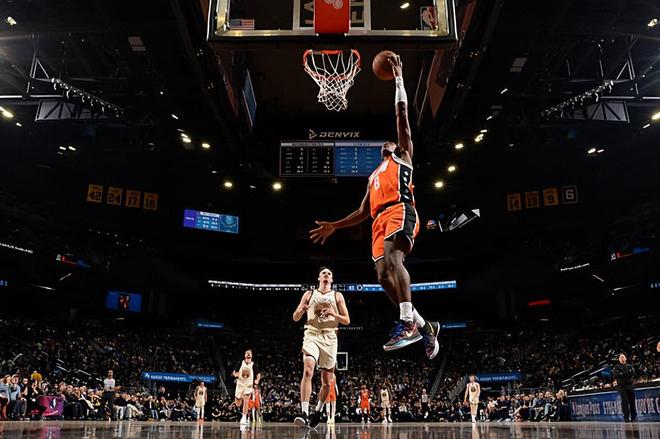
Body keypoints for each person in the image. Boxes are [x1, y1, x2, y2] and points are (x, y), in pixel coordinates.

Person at [309, 54, 440, 359]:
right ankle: (425, 326)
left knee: (394, 259)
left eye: (389, 143)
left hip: (400, 209)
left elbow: (402, 115)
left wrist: (398, 79)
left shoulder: (403, 156)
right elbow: (362, 212)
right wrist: (335, 225)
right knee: (382, 275)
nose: (386, 144)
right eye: (385, 144)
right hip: (378, 220)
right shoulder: (372, 176)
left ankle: (407, 323)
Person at [293, 267, 350, 428]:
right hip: (312, 334)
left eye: (329, 273)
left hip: (330, 338)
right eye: (323, 273)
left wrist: (334, 314)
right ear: (319, 278)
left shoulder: (337, 296)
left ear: (332, 280)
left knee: (327, 382)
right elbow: (295, 317)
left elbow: (347, 320)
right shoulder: (309, 294)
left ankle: (317, 412)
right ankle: (304, 412)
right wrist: (301, 310)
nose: (326, 275)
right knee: (308, 369)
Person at [232, 349, 261, 425]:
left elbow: (258, 375)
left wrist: (257, 380)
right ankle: (242, 411)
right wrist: (235, 374)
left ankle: (244, 417)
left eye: (249, 353)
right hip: (240, 385)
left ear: (251, 356)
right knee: (238, 404)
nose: (248, 354)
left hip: (248, 385)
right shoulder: (240, 363)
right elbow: (234, 372)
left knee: (246, 400)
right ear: (244, 355)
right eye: (247, 353)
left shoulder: (254, 365)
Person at [612, 353, 637, 422]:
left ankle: (633, 417)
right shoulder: (616, 367)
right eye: (620, 357)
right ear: (618, 359)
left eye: (623, 357)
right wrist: (626, 374)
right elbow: (616, 375)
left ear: (626, 358)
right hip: (621, 385)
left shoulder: (630, 366)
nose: (622, 358)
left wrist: (622, 374)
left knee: (632, 401)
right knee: (624, 401)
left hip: (630, 384)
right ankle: (626, 417)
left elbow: (633, 373)